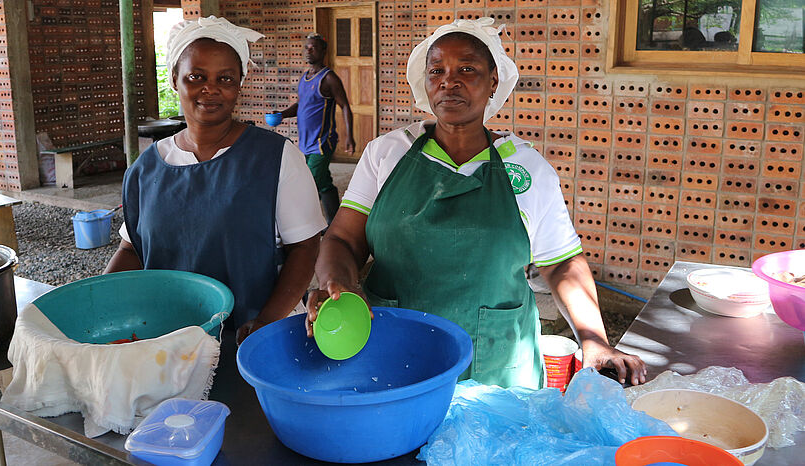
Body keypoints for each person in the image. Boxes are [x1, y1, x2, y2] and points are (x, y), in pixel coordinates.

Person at [306, 18, 646, 389]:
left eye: (467, 69)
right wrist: (339, 283)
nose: (449, 81)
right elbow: (341, 240)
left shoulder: (527, 169)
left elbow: (561, 261)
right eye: (437, 70)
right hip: (392, 352)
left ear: (493, 80)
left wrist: (595, 344)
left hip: (496, 367)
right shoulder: (387, 154)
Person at [105, 16, 327, 345]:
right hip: (165, 338)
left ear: (239, 83)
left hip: (249, 336)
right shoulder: (147, 168)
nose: (211, 89)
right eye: (196, 77)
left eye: (225, 78)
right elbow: (132, 251)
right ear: (174, 80)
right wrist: (100, 306)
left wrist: (266, 321)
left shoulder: (275, 157)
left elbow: (306, 248)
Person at [274, 33, 355, 224]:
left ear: (323, 51)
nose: (308, 51)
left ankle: (301, 227)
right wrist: (282, 114)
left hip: (321, 143)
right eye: (306, 47)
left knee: (308, 184)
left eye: (314, 48)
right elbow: (301, 105)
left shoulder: (329, 78)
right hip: (305, 143)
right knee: (324, 183)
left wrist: (349, 137)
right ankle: (335, 223)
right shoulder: (305, 77)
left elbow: (345, 107)